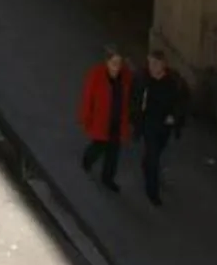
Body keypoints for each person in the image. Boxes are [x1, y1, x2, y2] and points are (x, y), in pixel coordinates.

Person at [134, 47, 191, 209]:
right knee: (153, 156)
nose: (152, 67)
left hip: (165, 124)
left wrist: (174, 116)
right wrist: (135, 116)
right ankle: (152, 190)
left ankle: (147, 165)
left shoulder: (174, 81)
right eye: (150, 63)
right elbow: (134, 96)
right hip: (148, 122)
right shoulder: (142, 78)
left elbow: (183, 101)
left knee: (158, 150)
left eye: (156, 64)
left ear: (163, 65)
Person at [78, 49, 134, 191]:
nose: (117, 67)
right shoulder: (96, 76)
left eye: (119, 63)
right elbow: (88, 98)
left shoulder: (126, 77)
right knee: (99, 146)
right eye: (114, 63)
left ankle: (108, 179)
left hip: (117, 122)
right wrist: (86, 118)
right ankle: (87, 161)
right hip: (101, 121)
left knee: (113, 153)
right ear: (107, 63)